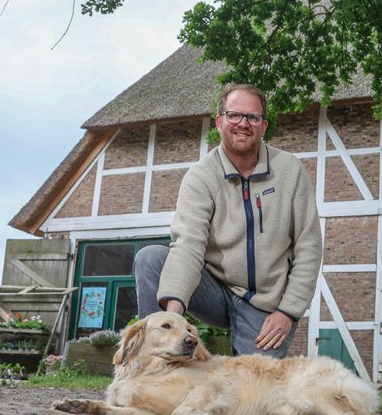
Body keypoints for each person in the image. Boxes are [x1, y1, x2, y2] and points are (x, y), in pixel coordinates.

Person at [133, 83, 322, 357]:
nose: (243, 124)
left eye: (252, 117)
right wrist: (171, 322)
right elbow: (188, 246)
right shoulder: (200, 176)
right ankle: (152, 358)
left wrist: (288, 312)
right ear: (219, 121)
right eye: (234, 115)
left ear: (263, 126)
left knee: (252, 390)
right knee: (151, 258)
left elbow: (309, 247)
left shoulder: (290, 170)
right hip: (214, 289)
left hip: (266, 303)